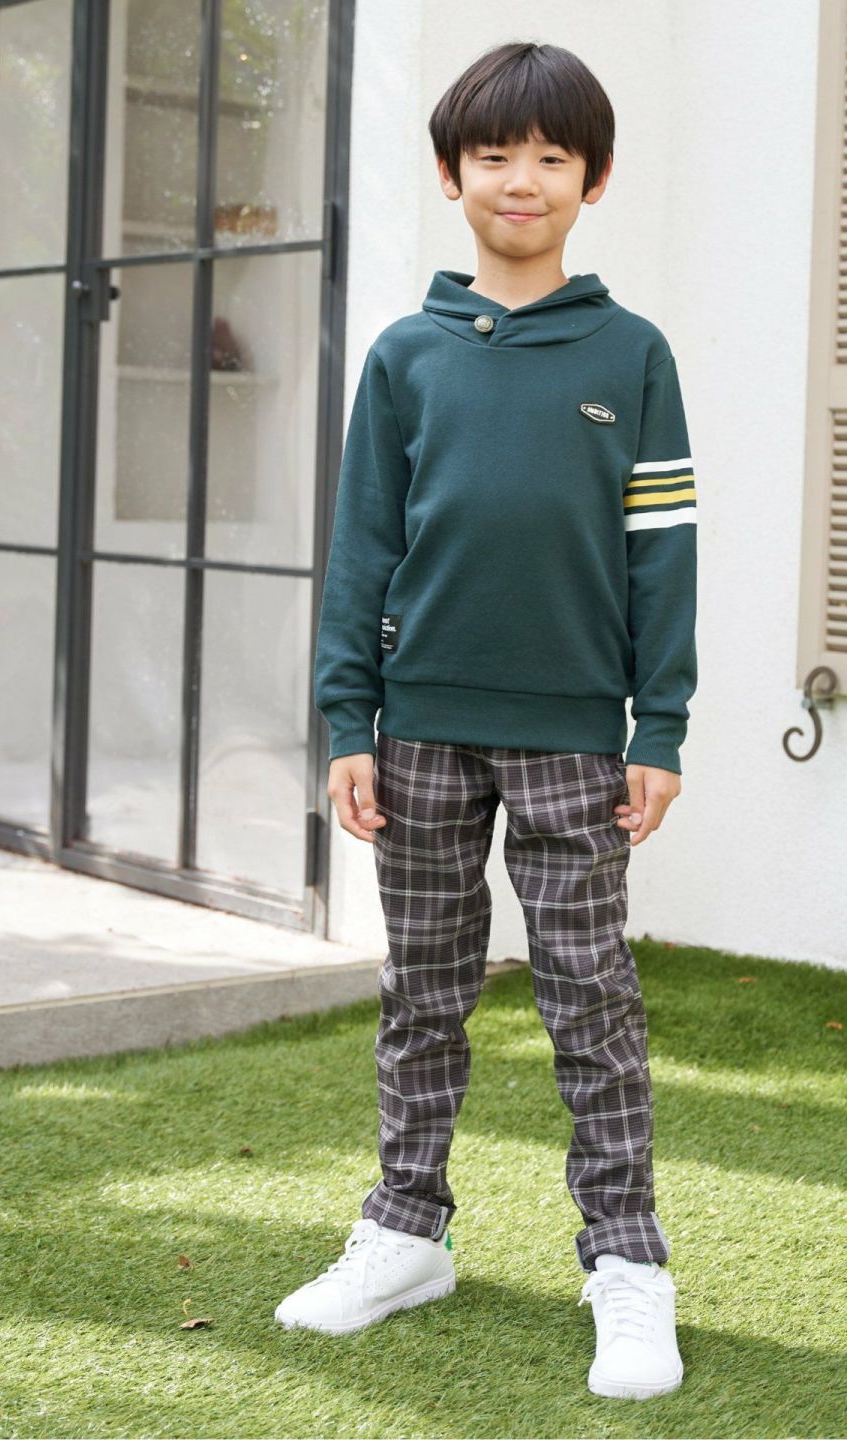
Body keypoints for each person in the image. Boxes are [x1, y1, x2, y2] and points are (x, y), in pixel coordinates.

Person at [275, 39, 697, 1402]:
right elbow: (362, 548)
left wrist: (659, 726)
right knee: (426, 991)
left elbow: (662, 556)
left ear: (595, 180)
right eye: (495, 155)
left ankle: (626, 1260)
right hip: (417, 733)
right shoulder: (406, 358)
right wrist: (349, 719)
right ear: (451, 175)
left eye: (553, 157)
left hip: (576, 735)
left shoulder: (634, 356)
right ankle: (406, 1233)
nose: (523, 179)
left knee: (591, 995)